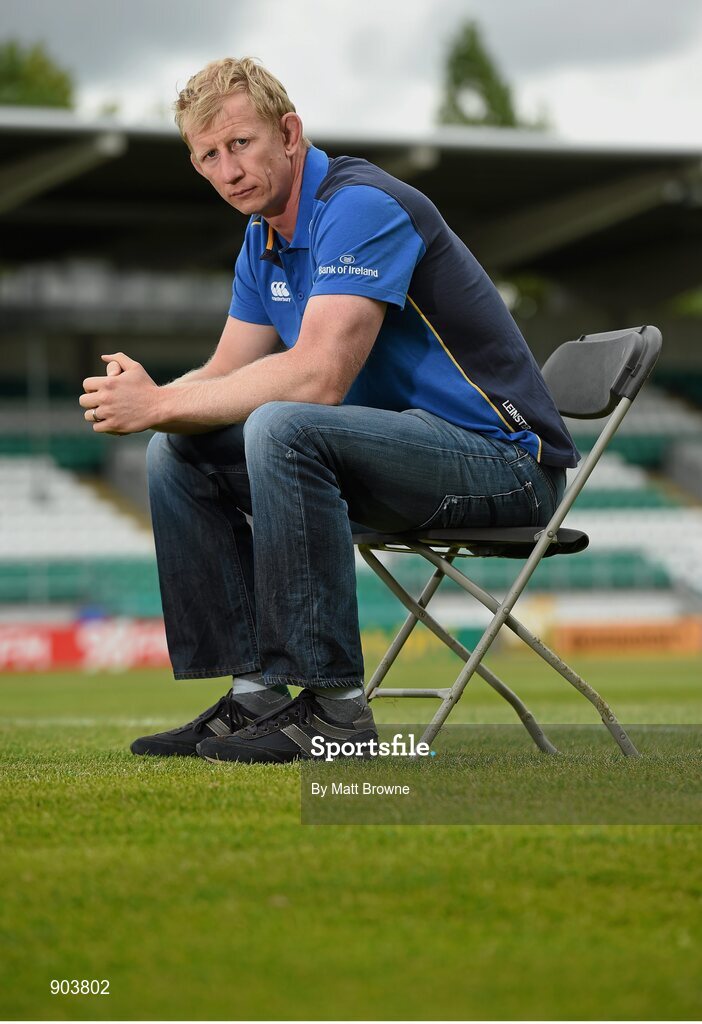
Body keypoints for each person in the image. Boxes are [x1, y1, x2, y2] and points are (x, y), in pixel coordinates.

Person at [79, 57, 578, 765]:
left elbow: (318, 376)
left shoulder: (360, 204)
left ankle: (338, 714)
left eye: (241, 144)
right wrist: (150, 402)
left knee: (283, 422)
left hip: (503, 464)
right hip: (390, 459)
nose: (229, 170)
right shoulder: (263, 241)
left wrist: (162, 400)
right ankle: (255, 695)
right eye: (209, 156)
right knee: (177, 447)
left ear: (289, 132)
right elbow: (221, 375)